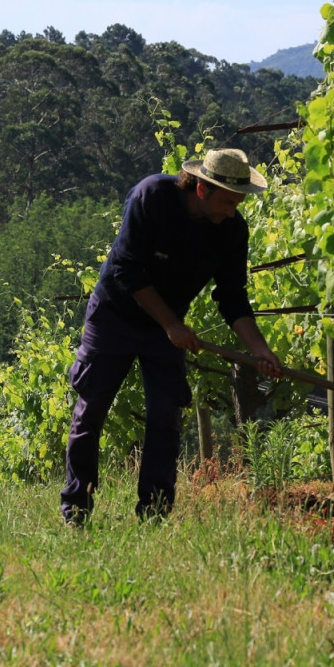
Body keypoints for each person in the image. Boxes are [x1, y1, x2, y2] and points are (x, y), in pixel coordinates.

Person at [60, 148, 282, 524]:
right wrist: (171, 326)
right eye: (228, 201)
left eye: (238, 203)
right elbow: (127, 270)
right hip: (115, 315)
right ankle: (76, 509)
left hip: (166, 328)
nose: (233, 211)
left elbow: (232, 297)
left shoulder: (232, 230)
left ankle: (154, 515)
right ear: (201, 189)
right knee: (91, 411)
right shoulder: (151, 197)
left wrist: (260, 350)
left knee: (165, 416)